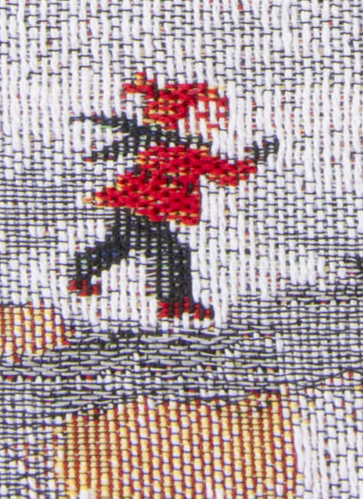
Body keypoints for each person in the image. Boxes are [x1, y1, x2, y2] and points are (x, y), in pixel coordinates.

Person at [66, 75, 274, 322]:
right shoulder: (185, 154)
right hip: (145, 213)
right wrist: (257, 158)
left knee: (123, 246)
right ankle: (173, 304)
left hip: (135, 210)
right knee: (169, 253)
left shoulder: (165, 147)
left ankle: (80, 275)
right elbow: (228, 174)